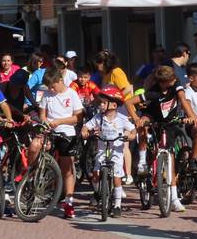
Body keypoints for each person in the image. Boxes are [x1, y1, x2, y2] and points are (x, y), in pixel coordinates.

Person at [126, 65, 197, 213]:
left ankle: (174, 199)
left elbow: (183, 100)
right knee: (143, 124)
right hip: (153, 116)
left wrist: (191, 116)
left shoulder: (176, 85)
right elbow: (129, 102)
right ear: (162, 82)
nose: (174, 81)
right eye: (170, 81)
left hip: (169, 121)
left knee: (171, 159)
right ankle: (142, 160)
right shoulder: (153, 92)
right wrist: (136, 118)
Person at [31, 67, 83, 219]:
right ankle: (32, 177)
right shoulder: (47, 94)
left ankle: (69, 202)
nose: (51, 89)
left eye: (53, 86)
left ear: (60, 80)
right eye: (49, 87)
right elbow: (42, 114)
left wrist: (60, 121)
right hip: (49, 131)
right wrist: (45, 121)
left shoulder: (71, 94)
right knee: (35, 146)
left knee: (67, 168)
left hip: (66, 132)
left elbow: (77, 117)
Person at [81, 86, 137, 217]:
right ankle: (98, 192)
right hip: (102, 149)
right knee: (95, 175)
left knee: (117, 177)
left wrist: (131, 135)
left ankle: (117, 205)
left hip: (116, 151)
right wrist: (84, 131)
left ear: (113, 104)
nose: (100, 105)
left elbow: (133, 130)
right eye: (100, 102)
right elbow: (87, 125)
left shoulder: (122, 118)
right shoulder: (98, 117)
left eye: (103, 103)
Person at [95, 49, 135, 183]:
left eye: (99, 63)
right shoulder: (105, 75)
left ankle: (128, 174)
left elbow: (128, 88)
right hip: (111, 108)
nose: (97, 67)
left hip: (123, 108)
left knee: (123, 143)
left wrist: (116, 100)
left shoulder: (116, 72)